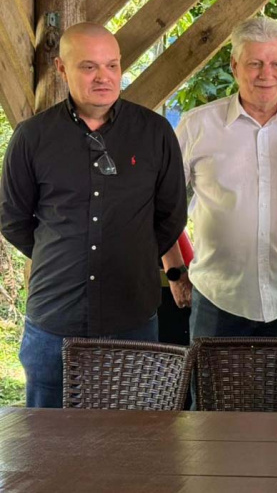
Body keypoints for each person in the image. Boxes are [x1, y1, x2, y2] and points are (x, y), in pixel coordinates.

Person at [0, 23, 186, 408]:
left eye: (112, 65)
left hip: (132, 316)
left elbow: (171, 215)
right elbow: (12, 218)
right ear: (62, 68)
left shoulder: (154, 133)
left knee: (130, 442)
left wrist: (134, 253)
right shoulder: (32, 137)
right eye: (88, 67)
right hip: (55, 319)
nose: (104, 76)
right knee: (46, 443)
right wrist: (61, 253)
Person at [163, 17, 277, 340]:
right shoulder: (197, 126)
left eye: (276, 63)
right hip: (218, 296)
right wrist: (175, 269)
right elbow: (161, 202)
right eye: (255, 63)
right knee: (213, 392)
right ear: (234, 66)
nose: (266, 74)